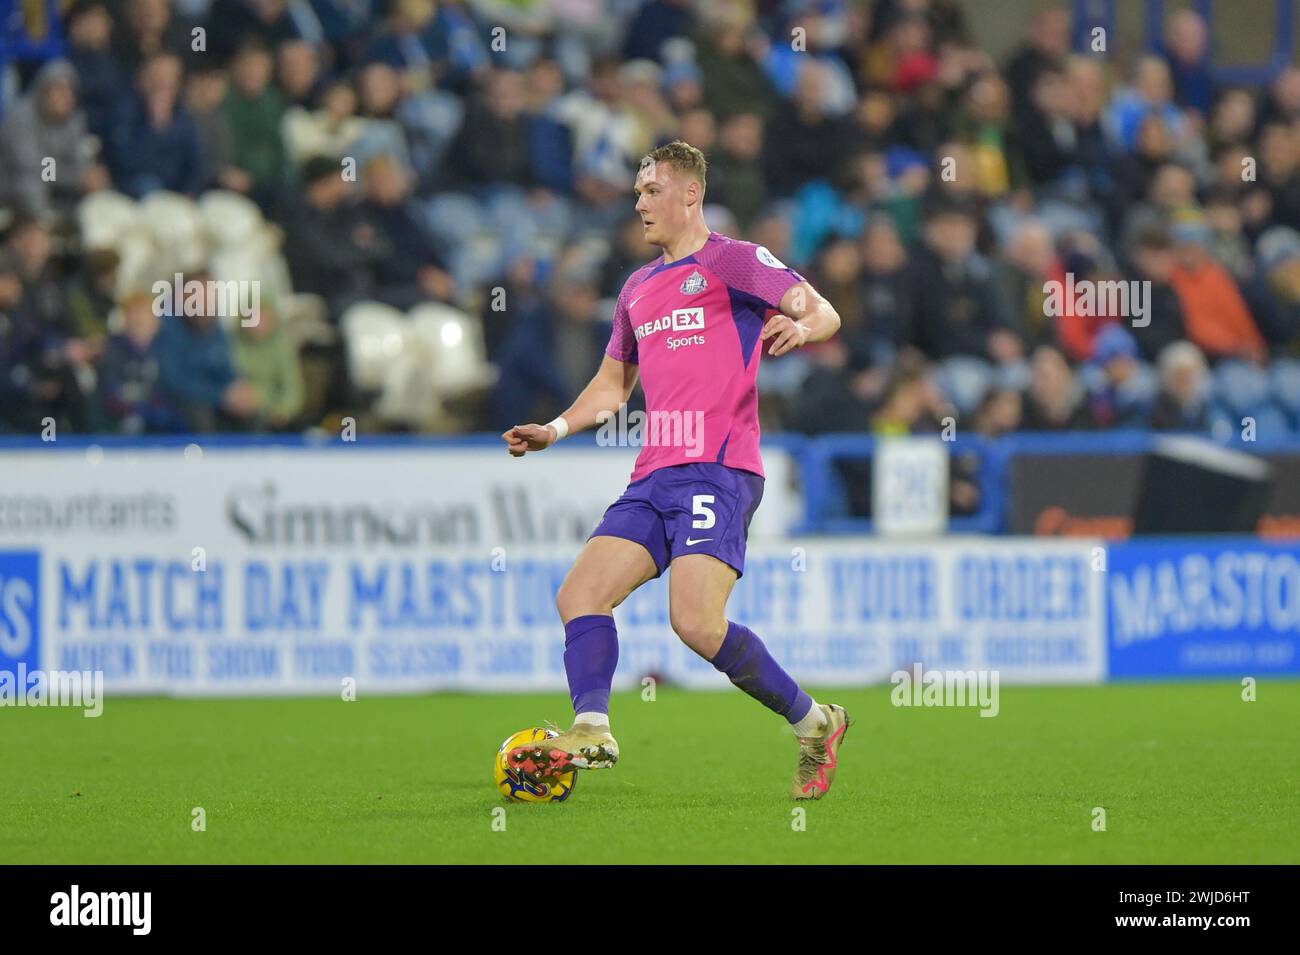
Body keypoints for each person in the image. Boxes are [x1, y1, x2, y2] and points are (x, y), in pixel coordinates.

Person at [500, 141, 851, 800]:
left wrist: (803, 330)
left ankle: (814, 720)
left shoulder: (734, 261)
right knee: (579, 594)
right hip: (654, 474)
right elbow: (611, 387)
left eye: (650, 191)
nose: (638, 204)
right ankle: (593, 729)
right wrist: (555, 428)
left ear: (690, 194)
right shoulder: (638, 287)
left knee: (694, 623)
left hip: (718, 467)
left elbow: (823, 310)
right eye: (636, 193)